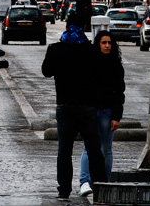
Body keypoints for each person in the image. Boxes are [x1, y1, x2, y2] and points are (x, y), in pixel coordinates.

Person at [41, 16, 105, 200]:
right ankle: (100, 187)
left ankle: (64, 190)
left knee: (64, 150)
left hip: (64, 105)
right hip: (87, 106)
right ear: (84, 27)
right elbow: (100, 76)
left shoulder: (55, 49)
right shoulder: (92, 50)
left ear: (67, 27)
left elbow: (46, 71)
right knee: (94, 149)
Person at [79, 30, 125, 197]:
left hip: (107, 112)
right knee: (89, 148)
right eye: (104, 43)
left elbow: (119, 92)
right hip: (91, 111)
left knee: (106, 149)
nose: (107, 46)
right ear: (97, 44)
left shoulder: (116, 65)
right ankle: (85, 181)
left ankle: (104, 182)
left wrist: (116, 116)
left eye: (109, 43)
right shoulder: (90, 63)